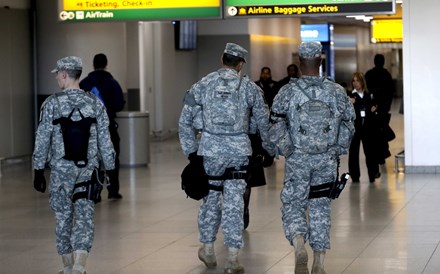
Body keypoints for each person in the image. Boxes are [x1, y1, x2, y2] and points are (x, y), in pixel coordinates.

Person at [178, 43, 274, 274]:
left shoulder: (202, 85)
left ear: (223, 59)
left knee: (211, 199)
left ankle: (209, 249)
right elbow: (263, 121)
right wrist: (269, 148)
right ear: (240, 64)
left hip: (210, 151)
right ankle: (232, 257)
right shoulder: (250, 88)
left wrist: (191, 152)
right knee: (234, 202)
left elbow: (185, 120)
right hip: (239, 152)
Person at [270, 42, 355, 274]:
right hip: (326, 159)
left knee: (294, 203)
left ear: (299, 63)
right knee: (320, 206)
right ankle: (319, 261)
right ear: (320, 62)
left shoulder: (287, 91)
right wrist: (337, 147)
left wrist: (288, 149)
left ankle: (299, 243)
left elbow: (275, 124)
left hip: (298, 158)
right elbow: (349, 122)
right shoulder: (336, 91)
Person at [33, 56, 115, 274]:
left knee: (62, 218)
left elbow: (42, 139)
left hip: (60, 173)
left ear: (63, 74)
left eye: (57, 74)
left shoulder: (51, 103)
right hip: (87, 172)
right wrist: (110, 167)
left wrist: (38, 169)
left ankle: (68, 266)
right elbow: (105, 140)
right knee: (85, 217)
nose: (57, 78)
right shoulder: (95, 103)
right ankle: (79, 266)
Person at [80, 53, 125, 199]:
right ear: (106, 64)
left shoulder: (84, 83)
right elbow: (119, 104)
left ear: (93, 65)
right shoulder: (112, 83)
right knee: (112, 157)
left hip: (88, 129)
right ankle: (112, 190)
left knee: (92, 159)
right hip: (108, 127)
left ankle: (94, 192)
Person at [348, 72, 381, 183]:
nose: (355, 83)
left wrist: (374, 108)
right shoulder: (350, 95)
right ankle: (355, 176)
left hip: (368, 127)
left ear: (362, 81)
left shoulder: (369, 94)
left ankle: (372, 174)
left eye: (357, 80)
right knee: (353, 152)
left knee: (370, 151)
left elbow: (376, 105)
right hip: (355, 127)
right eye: (353, 81)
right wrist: (351, 103)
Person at [365, 54, 394, 164]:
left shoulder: (369, 74)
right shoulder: (386, 74)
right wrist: (388, 105)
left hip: (372, 108)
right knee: (382, 130)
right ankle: (383, 154)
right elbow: (391, 92)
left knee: (374, 132)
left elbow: (366, 91)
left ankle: (376, 154)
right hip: (383, 107)